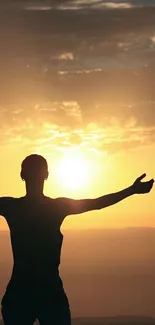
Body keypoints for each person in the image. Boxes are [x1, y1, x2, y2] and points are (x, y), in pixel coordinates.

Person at [0, 154, 154, 325]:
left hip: (21, 293)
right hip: (49, 293)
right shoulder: (55, 207)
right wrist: (131, 190)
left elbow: (96, 203)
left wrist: (131, 190)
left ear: (22, 175)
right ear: (47, 175)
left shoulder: (12, 207)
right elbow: (96, 203)